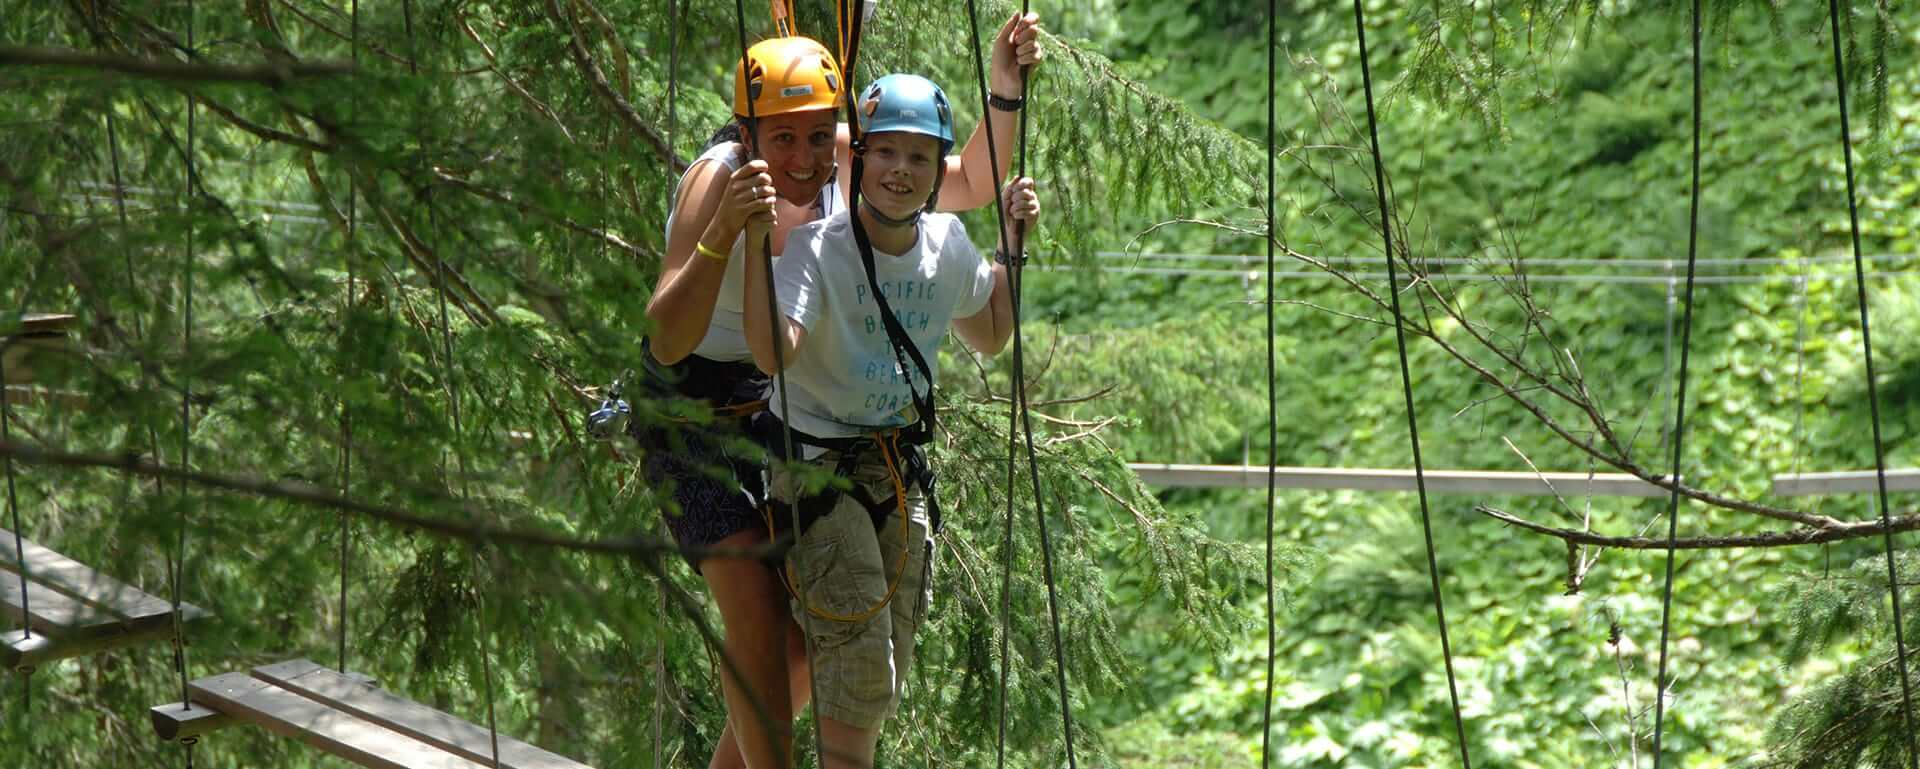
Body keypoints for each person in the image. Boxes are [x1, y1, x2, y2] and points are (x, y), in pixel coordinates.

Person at [636, 14, 1043, 769]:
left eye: (820, 136)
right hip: (693, 406)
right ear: (748, 134)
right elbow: (666, 338)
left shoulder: (837, 158)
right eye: (783, 138)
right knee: (756, 614)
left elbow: (965, 180)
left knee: (801, 645)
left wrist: (1004, 86)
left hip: (779, 403)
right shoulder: (718, 178)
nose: (803, 157)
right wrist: (724, 233)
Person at [740, 73, 1038, 769]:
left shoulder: (947, 246)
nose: (901, 170)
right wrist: (755, 246)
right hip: (813, 469)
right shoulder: (818, 248)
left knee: (884, 671)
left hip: (895, 473)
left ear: (938, 172)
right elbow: (774, 353)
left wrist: (1011, 245)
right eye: (886, 152)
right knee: (861, 669)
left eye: (920, 157)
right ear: (859, 158)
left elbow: (992, 331)